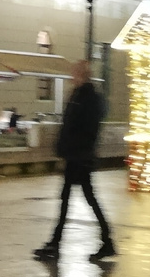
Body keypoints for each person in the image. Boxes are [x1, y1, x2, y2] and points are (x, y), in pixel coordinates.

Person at [35, 60, 116, 262]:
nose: (72, 75)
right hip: (76, 155)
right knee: (76, 199)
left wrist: (74, 149)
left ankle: (59, 243)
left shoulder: (88, 98)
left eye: (75, 72)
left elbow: (86, 130)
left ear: (82, 74)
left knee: (76, 199)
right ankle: (105, 241)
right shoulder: (78, 95)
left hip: (80, 157)